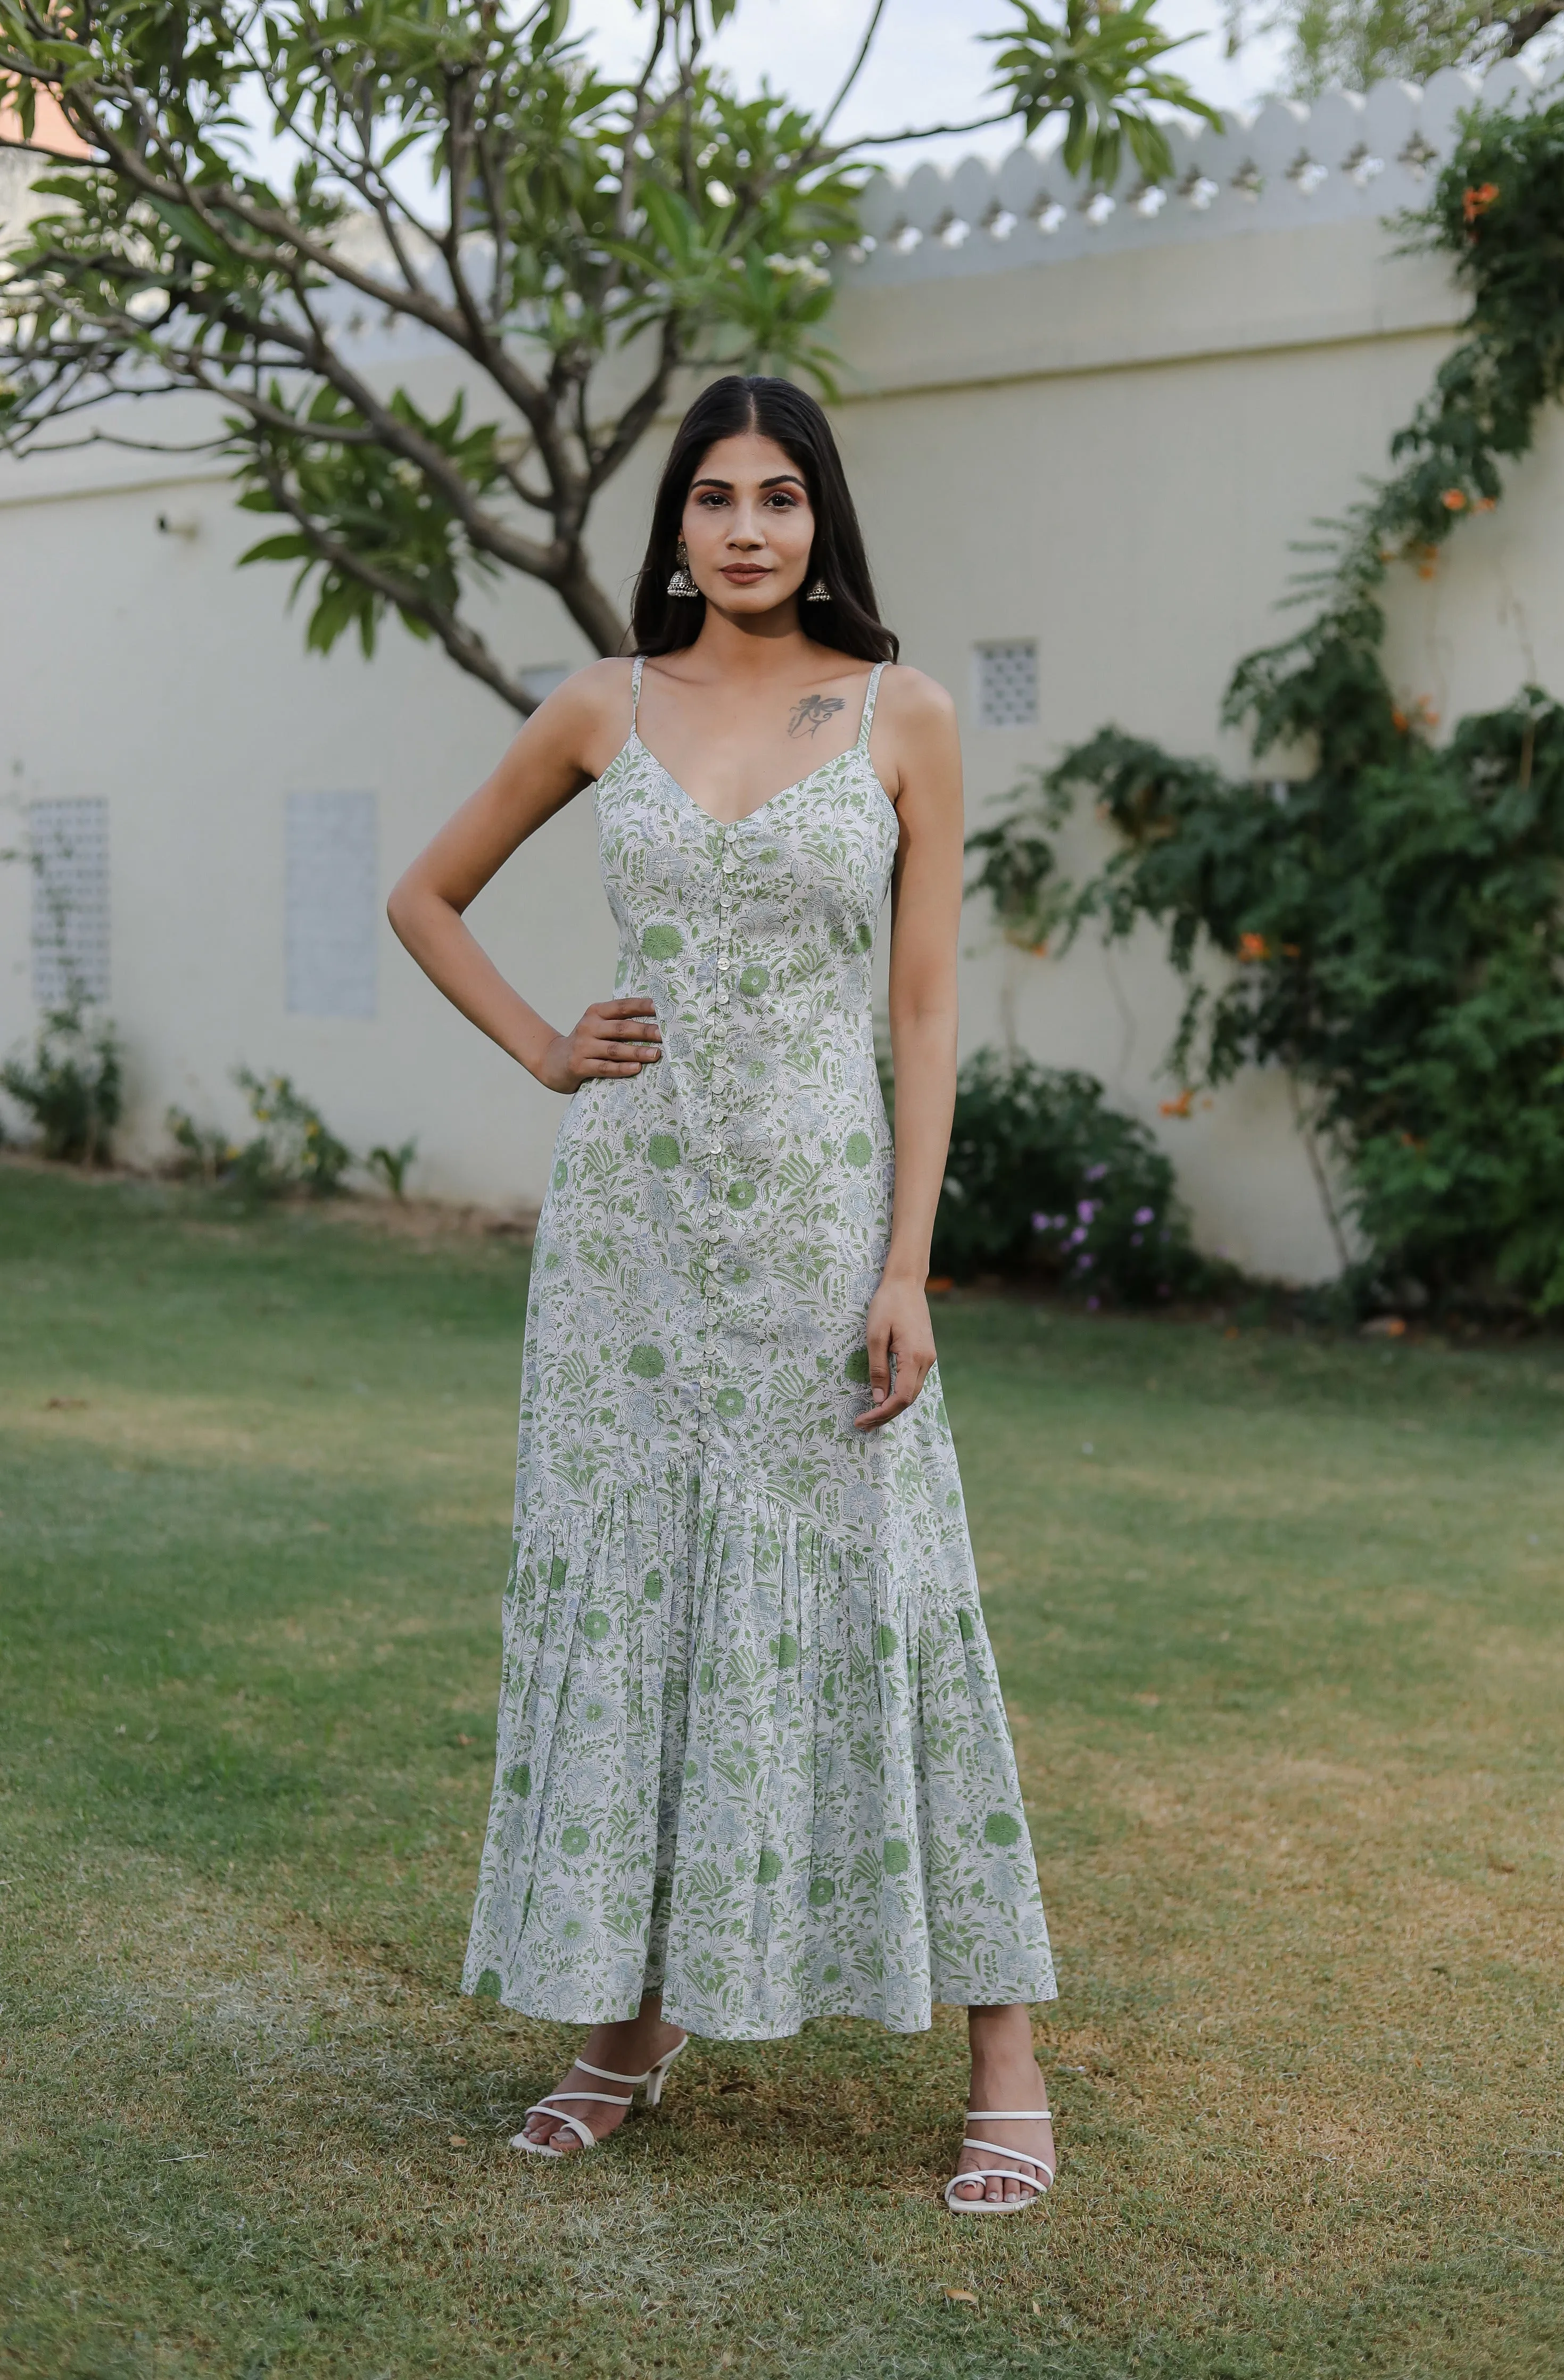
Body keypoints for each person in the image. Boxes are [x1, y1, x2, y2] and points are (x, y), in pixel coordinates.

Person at [387, 374, 1057, 2211]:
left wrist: (907, 1264)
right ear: (671, 527)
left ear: (819, 519)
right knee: (641, 1602)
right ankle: (630, 2014)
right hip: (630, 1242)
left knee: (893, 1594)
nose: (746, 529)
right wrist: (544, 1044)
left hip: (822, 1225)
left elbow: (922, 1014)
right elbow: (425, 895)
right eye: (712, 500)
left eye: (778, 497)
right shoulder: (602, 706)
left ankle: (1003, 2048)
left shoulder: (899, 715)